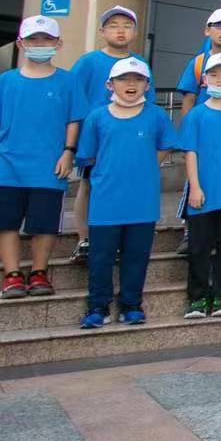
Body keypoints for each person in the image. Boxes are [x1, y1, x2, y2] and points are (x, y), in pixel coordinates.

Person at [0, 15, 78, 301]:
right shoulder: (6, 81)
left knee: (45, 224)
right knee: (6, 222)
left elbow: (73, 120)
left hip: (48, 166)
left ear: (58, 44)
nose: (40, 44)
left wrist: (68, 152)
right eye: (34, 39)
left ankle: (39, 272)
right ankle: (11, 275)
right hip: (7, 163)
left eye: (47, 39)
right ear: (21, 43)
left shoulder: (67, 81)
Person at [74, 59, 174, 329]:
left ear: (147, 85)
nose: (131, 84)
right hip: (106, 201)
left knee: (136, 256)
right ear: (110, 84)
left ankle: (131, 305)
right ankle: (98, 306)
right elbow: (88, 155)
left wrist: (147, 165)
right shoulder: (97, 117)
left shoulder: (156, 115)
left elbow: (166, 145)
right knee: (101, 257)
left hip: (142, 200)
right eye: (124, 79)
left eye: (138, 79)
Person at [68, 4, 145, 261]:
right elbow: (73, 99)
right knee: (88, 184)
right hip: (96, 138)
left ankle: (119, 238)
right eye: (113, 26)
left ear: (135, 32)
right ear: (102, 31)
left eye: (127, 26)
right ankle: (84, 238)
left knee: (125, 185)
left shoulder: (139, 64)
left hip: (130, 138)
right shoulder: (88, 62)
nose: (120, 31)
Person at [177, 51, 221, 319]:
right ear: (205, 80)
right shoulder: (197, 114)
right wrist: (195, 187)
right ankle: (196, 297)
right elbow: (191, 152)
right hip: (203, 194)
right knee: (199, 247)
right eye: (215, 75)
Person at [177, 9, 221, 116]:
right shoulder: (198, 62)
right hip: (203, 120)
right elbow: (189, 99)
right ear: (207, 30)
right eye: (219, 25)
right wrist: (187, 124)